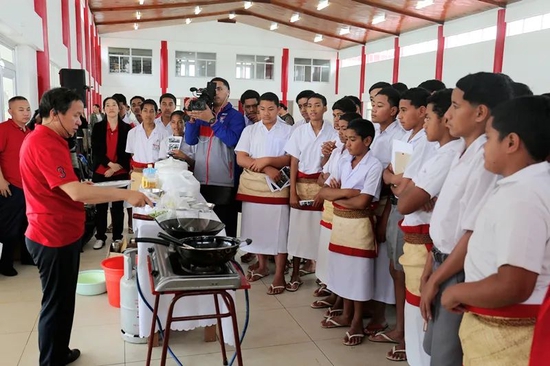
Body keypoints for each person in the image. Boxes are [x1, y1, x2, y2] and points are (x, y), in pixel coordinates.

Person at [19, 87, 151, 366]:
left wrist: (80, 186)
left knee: (64, 301)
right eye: (76, 115)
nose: (80, 121)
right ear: (55, 114)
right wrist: (127, 194)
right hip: (51, 235)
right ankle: (51, 360)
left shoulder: (47, 138)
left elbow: (65, 187)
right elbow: (77, 195)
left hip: (59, 230)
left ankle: (60, 351)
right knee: (55, 305)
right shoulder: (44, 141)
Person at [440, 96, 550, 365]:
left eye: (488, 139)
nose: (483, 149)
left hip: (509, 334)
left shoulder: (523, 197)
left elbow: (514, 284)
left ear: (511, 142)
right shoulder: (526, 186)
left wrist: (456, 292)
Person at [419, 72, 513, 366]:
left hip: (456, 269)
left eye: (456, 106)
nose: (447, 115)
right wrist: (429, 264)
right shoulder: (463, 149)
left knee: (448, 356)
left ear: (480, 113)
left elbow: (471, 233)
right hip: (441, 261)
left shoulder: (486, 161)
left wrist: (438, 277)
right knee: (435, 347)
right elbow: (448, 219)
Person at [396, 88, 462, 365]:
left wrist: (415, 195)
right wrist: (413, 194)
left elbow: (405, 202)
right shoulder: (440, 151)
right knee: (419, 315)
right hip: (428, 249)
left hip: (436, 250)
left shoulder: (450, 155)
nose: (425, 123)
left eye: (429, 117)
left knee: (425, 319)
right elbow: (406, 193)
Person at [369, 88, 433, 360]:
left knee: (411, 274)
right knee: (397, 269)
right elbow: (389, 177)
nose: (401, 115)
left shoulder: (428, 142)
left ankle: (411, 337)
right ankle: (401, 329)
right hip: (398, 209)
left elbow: (406, 186)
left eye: (405, 110)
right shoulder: (406, 138)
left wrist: (397, 181)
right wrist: (396, 181)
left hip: (414, 214)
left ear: (422, 111)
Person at [318, 118, 383, 347]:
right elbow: (325, 192)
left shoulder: (374, 165)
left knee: (357, 274)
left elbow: (363, 201)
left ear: (367, 140)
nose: (348, 144)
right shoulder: (346, 162)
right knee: (342, 270)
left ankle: (357, 320)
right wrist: (347, 192)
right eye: (346, 140)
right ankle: (345, 314)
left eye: (353, 140)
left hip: (359, 227)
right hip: (341, 225)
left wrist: (341, 196)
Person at [235, 92, 293, 294]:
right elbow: (241, 158)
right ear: (257, 109)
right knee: (257, 229)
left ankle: (278, 274)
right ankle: (261, 265)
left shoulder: (288, 130)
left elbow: (289, 159)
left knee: (279, 231)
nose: (266, 113)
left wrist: (267, 161)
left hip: (277, 189)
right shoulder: (250, 131)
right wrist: (267, 168)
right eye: (262, 109)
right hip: (254, 187)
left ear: (278, 108)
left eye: (270, 109)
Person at [284, 93, 338, 292]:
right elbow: (293, 162)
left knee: (321, 233)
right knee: (299, 232)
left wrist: (323, 191)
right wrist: (292, 192)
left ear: (325, 108)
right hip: (300, 184)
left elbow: (332, 165)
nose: (312, 109)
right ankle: (296, 272)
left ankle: (323, 275)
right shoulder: (299, 132)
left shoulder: (333, 133)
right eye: (309, 106)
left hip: (322, 185)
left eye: (317, 105)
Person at [365, 86, 406, 335]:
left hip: (387, 204)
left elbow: (395, 183)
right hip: (372, 201)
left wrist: (385, 218)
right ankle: (372, 307)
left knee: (385, 263)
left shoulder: (399, 137)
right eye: (372, 103)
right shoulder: (377, 134)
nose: (374, 109)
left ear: (393, 110)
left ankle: (381, 315)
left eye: (379, 105)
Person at [185, 77, 245, 237]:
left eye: (219, 88)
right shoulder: (202, 111)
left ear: (228, 92)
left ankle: (228, 259)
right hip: (200, 179)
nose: (215, 92)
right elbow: (190, 140)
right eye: (213, 89)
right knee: (202, 227)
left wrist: (211, 120)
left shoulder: (236, 116)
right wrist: (191, 120)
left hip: (224, 181)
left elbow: (233, 140)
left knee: (225, 227)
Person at [313, 112, 361, 311]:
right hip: (331, 207)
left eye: (345, 129)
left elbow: (351, 189)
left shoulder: (357, 156)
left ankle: (340, 298)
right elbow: (323, 176)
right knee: (329, 253)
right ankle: (332, 290)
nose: (341, 133)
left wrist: (330, 190)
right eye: (338, 128)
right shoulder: (336, 148)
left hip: (344, 210)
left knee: (341, 257)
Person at [91, 97, 132, 250]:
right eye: (107, 105)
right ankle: (100, 236)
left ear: (119, 108)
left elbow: (127, 151)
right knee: (101, 207)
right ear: (104, 109)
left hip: (120, 172)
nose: (111, 107)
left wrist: (115, 168)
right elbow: (96, 150)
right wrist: (109, 166)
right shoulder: (98, 127)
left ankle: (117, 237)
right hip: (101, 171)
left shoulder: (127, 128)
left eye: (114, 105)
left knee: (117, 206)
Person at [0, 96, 33, 276]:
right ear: (10, 111)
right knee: (9, 227)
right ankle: (5, 264)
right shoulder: (3, 129)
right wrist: (1, 180)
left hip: (28, 187)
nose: (26, 112)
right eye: (21, 109)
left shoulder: (28, 132)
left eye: (27, 109)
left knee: (26, 225)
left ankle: (27, 257)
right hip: (10, 186)